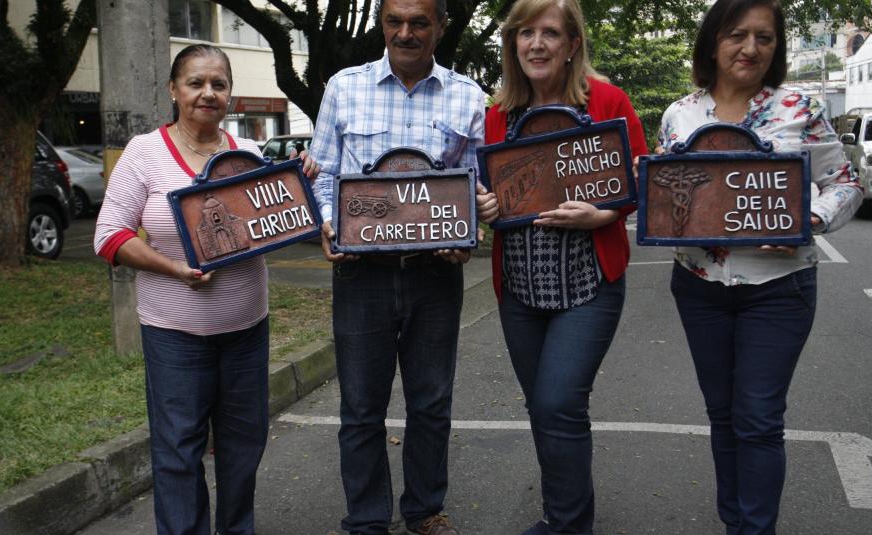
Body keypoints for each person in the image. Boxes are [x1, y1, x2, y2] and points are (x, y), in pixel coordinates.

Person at [93, 44, 319, 535]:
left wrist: (299, 184)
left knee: (243, 447)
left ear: (230, 93)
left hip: (246, 331)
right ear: (174, 90)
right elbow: (109, 236)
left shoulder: (249, 156)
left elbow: (280, 221)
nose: (207, 93)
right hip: (174, 334)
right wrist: (175, 268)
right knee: (178, 450)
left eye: (218, 84)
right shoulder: (144, 153)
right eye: (195, 83)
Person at [657, 0, 864, 533]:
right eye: (737, 35)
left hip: (779, 287)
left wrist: (810, 219)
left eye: (764, 38)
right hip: (699, 286)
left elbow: (845, 183)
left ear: (777, 48)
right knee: (722, 416)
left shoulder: (800, 109)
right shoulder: (680, 115)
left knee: (758, 419)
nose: (750, 48)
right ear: (712, 42)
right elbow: (666, 196)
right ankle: (736, 524)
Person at [308, 0, 485, 532]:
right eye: (394, 21)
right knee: (361, 405)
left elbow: (473, 187)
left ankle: (424, 509)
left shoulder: (469, 96)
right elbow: (323, 174)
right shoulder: (343, 87)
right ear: (382, 23)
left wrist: (467, 236)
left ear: (441, 27)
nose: (405, 33)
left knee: (431, 401)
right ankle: (366, 519)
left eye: (419, 23)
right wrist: (330, 224)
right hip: (360, 273)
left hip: (436, 273)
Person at [474, 0, 648, 533]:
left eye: (550, 32)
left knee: (558, 403)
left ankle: (569, 525)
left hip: (589, 282)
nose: (536, 44)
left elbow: (644, 178)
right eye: (525, 33)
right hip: (520, 288)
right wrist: (484, 206)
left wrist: (604, 214)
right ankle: (564, 514)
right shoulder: (497, 113)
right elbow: (485, 188)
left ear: (573, 44)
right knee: (543, 408)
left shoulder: (608, 100)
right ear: (512, 43)